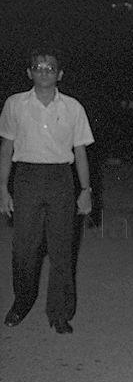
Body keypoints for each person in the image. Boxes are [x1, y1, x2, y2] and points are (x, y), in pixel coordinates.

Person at [0, 47, 94, 334]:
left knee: (62, 250)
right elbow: (6, 148)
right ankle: (23, 301)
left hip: (60, 179)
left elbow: (80, 152)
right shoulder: (15, 104)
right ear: (29, 73)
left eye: (50, 67)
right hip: (26, 177)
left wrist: (85, 189)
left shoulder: (73, 108)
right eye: (38, 67)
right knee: (23, 248)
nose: (44, 71)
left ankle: (60, 313)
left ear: (60, 74)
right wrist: (3, 189)